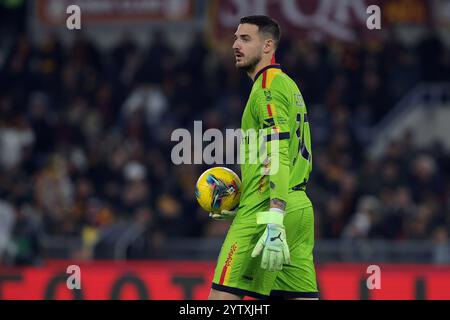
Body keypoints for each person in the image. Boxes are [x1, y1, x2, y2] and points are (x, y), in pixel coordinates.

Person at [208, 15, 318, 300]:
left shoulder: (266, 88)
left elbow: (278, 152)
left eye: (245, 39)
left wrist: (274, 217)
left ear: (268, 45)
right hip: (299, 208)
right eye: (235, 38)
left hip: (267, 211)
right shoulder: (288, 85)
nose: (235, 44)